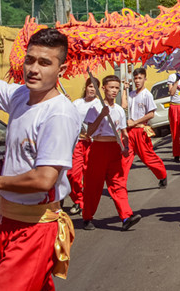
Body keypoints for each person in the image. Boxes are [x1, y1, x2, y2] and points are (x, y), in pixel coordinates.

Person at [0, 28, 81, 291]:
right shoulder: (21, 95)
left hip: (34, 228)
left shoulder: (58, 114)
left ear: (62, 68)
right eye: (30, 60)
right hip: (8, 221)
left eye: (44, 63)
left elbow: (44, 179)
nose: (33, 68)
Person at [82, 75, 141, 231]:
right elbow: (89, 132)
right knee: (94, 186)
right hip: (99, 149)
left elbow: (124, 132)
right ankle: (87, 216)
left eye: (117, 88)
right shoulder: (94, 108)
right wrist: (102, 114)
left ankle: (126, 216)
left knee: (118, 184)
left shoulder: (120, 110)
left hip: (115, 149)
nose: (114, 91)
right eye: (111, 87)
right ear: (104, 89)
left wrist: (126, 147)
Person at [124, 67, 168, 188]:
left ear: (145, 79)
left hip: (141, 130)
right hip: (130, 132)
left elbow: (151, 113)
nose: (137, 81)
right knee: (125, 157)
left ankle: (162, 174)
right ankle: (120, 184)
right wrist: (124, 90)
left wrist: (135, 122)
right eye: (136, 78)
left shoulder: (147, 95)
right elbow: (124, 105)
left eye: (140, 78)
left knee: (147, 157)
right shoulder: (131, 94)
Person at [69, 79, 101, 215]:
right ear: (86, 87)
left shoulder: (98, 105)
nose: (92, 89)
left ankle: (86, 203)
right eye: (90, 86)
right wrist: (66, 104)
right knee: (72, 175)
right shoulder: (76, 103)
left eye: (95, 87)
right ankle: (78, 200)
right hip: (77, 143)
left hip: (92, 144)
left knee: (89, 176)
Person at [167, 65, 180, 162]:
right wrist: (177, 80)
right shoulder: (172, 77)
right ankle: (176, 153)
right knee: (175, 132)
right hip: (174, 106)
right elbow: (171, 92)